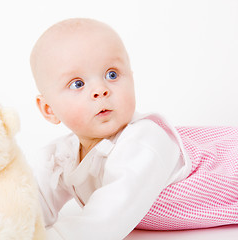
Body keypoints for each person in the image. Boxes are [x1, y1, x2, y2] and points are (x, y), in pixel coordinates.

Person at [29, 18, 238, 239]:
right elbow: (28, 207)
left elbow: (104, 222)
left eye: (112, 74)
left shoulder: (145, 141)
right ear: (49, 109)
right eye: (78, 83)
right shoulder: (60, 157)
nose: (100, 90)